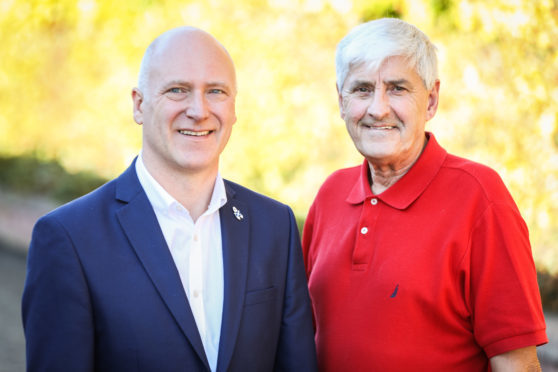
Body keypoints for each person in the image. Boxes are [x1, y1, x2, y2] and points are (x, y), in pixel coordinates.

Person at [22, 26, 317, 372]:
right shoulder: (68, 238)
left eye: (216, 91)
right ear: (139, 105)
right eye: (177, 90)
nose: (199, 110)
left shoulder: (275, 227)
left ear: (234, 107)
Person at [302, 18, 547, 371]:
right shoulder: (329, 195)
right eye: (361, 89)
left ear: (431, 101)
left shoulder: (481, 198)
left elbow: (517, 364)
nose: (378, 108)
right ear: (341, 101)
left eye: (398, 88)